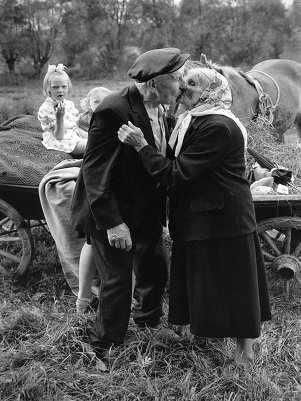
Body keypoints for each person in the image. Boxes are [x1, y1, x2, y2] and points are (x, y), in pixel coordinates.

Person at [118, 67, 271, 365]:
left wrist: (141, 146)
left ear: (211, 93)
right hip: (200, 215)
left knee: (235, 283)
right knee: (200, 278)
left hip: (223, 218)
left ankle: (245, 351)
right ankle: (193, 330)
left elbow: (177, 174)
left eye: (192, 85)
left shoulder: (217, 126)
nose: (183, 89)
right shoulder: (192, 120)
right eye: (182, 83)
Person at [70, 48, 190, 355]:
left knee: (154, 268)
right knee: (117, 283)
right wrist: (113, 224)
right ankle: (105, 346)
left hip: (146, 210)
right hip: (113, 213)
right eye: (176, 80)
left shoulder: (162, 107)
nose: (182, 86)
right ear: (152, 84)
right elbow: (94, 173)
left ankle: (148, 324)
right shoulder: (114, 110)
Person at [75, 87, 112, 314]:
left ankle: (118, 297)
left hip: (106, 178)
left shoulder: (114, 119)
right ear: (88, 104)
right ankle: (82, 298)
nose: (101, 104)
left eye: (105, 100)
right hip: (93, 179)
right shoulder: (85, 121)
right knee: (91, 241)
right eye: (96, 100)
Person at [38, 64, 88, 156]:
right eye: (55, 87)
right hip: (59, 140)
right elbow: (59, 136)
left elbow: (75, 127)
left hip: (73, 135)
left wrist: (90, 135)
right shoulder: (45, 110)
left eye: (64, 86)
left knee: (98, 139)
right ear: (48, 89)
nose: (60, 90)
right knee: (91, 145)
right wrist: (59, 117)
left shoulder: (69, 104)